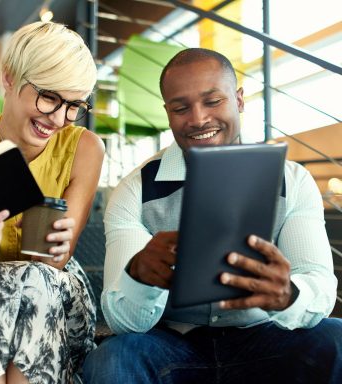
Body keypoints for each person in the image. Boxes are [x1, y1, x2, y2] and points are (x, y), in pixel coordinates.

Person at [83, 48, 342, 383]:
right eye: (180, 108)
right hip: (172, 346)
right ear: (167, 112)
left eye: (212, 101)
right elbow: (123, 322)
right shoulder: (135, 190)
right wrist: (139, 277)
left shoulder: (292, 181)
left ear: (239, 100)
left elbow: (319, 285)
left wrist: (288, 295)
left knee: (337, 338)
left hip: (266, 336)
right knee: (112, 358)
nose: (198, 118)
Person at [0, 22, 104, 383]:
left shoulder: (85, 148)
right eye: (49, 97)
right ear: (8, 78)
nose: (58, 118)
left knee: (33, 277)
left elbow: (56, 262)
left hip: (50, 290)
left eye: (74, 105)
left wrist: (55, 245)